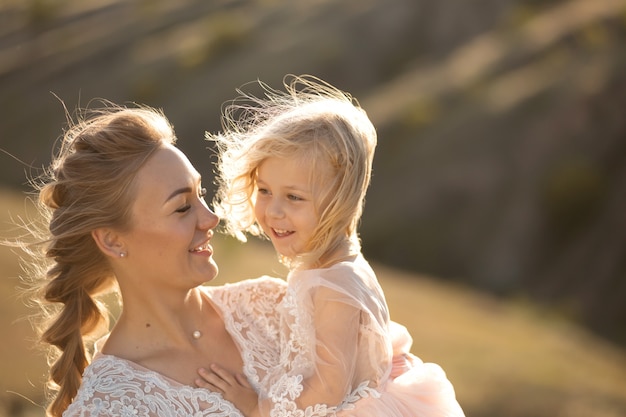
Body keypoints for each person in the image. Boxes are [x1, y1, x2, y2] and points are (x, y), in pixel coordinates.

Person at [198, 75, 465, 416]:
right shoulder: (332, 265)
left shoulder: (334, 285)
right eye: (264, 190)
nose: (273, 210)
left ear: (340, 201)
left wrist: (257, 406)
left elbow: (329, 389)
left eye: (294, 197)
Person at [16, 103, 289, 417]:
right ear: (112, 239)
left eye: (201, 194)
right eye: (182, 207)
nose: (210, 218)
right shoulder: (108, 407)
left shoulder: (273, 306)